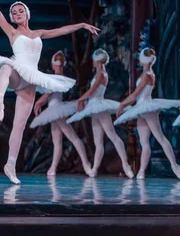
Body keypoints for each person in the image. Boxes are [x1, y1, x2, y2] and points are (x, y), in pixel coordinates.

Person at [0, 0, 98, 184]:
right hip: (16, 73)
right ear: (12, 18)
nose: (17, 13)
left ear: (27, 14)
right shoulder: (12, 32)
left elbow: (61, 30)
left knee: (19, 126)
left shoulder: (38, 32)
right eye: (14, 12)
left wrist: (82, 25)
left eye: (20, 10)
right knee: (5, 66)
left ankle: (10, 165)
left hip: (30, 79)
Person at [66, 49, 134, 179]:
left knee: (112, 136)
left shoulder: (102, 74)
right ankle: (94, 169)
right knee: (98, 142)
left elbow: (92, 90)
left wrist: (81, 99)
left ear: (97, 60)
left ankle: (126, 165)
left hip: (99, 106)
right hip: (94, 107)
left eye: (93, 59)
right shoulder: (98, 73)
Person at [114, 48, 180, 179]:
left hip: (147, 107)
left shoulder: (147, 74)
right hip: (141, 108)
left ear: (144, 60)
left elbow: (134, 95)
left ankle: (175, 166)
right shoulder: (147, 72)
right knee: (144, 142)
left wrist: (122, 104)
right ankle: (142, 171)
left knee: (160, 137)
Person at [30, 51, 92, 176]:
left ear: (53, 65)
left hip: (56, 110)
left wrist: (38, 103)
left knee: (72, 137)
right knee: (57, 141)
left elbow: (47, 95)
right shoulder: (61, 78)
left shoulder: (56, 78)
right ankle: (53, 168)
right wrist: (39, 103)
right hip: (54, 111)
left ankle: (86, 164)